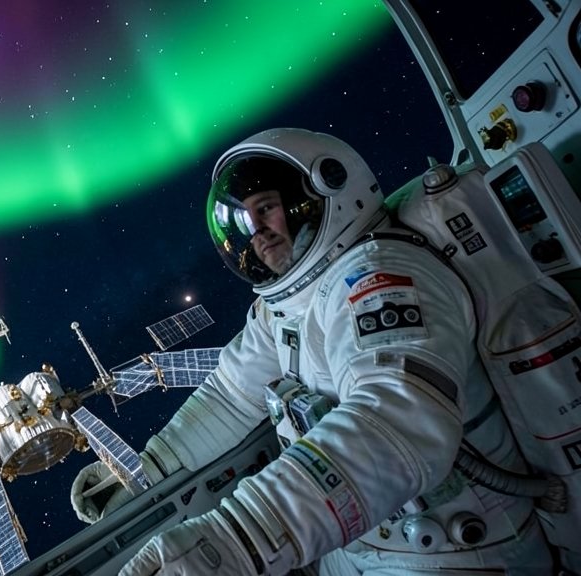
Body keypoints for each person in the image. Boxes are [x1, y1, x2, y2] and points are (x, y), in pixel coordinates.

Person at [70, 128, 554, 574]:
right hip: (359, 543)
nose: (256, 232)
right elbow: (228, 398)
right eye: (245, 221)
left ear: (322, 191)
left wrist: (237, 543)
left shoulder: (378, 273)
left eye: (266, 208)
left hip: (455, 550)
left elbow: (400, 415)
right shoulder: (283, 308)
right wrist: (142, 474)